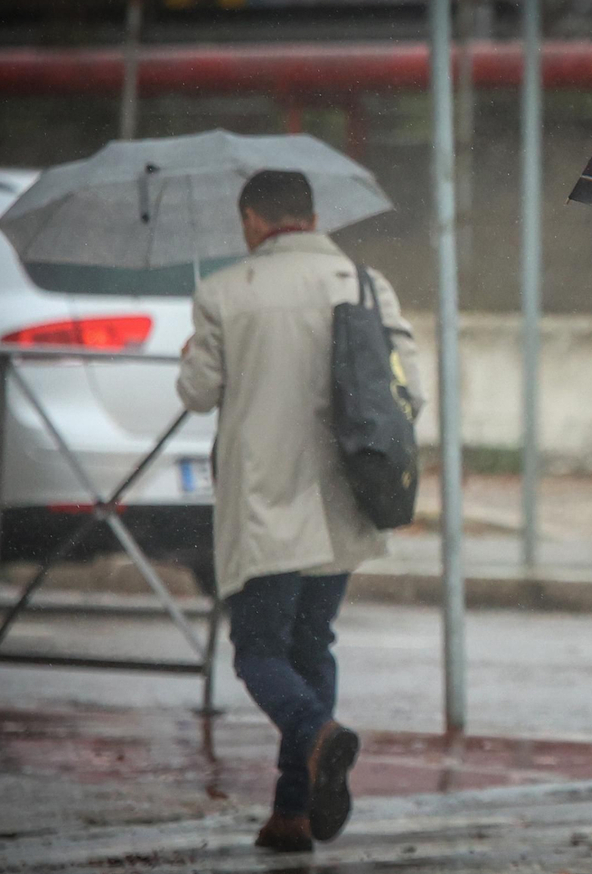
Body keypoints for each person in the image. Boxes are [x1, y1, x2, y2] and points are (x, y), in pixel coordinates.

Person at [176, 170, 423, 854]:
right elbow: (410, 390)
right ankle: (291, 811)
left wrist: (190, 357)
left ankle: (317, 734)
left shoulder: (223, 292)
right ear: (312, 218)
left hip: (263, 505)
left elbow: (196, 392)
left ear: (253, 221)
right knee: (313, 644)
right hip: (344, 502)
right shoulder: (364, 284)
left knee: (258, 651)